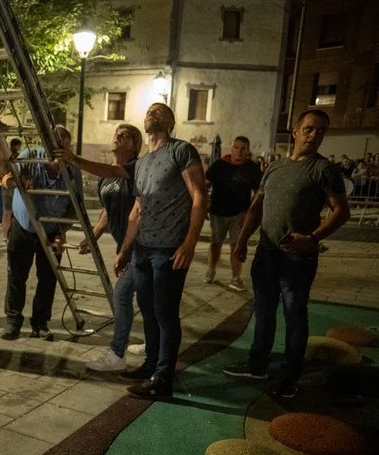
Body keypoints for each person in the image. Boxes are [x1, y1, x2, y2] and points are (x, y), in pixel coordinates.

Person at [223, 109, 350, 398]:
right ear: (295, 131)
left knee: (294, 316)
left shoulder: (323, 169)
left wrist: (312, 238)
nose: (314, 135)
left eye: (321, 131)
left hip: (297, 258)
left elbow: (342, 212)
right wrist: (242, 241)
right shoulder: (275, 167)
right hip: (266, 253)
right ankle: (257, 364)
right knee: (264, 312)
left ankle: (291, 377)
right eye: (309, 129)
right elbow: (257, 207)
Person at [115, 103, 208, 399]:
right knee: (148, 310)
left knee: (165, 313)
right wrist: (126, 249)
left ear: (171, 122)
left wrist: (190, 242)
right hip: (143, 249)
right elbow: (137, 209)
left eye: (160, 110)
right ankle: (151, 364)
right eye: (149, 110)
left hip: (169, 248)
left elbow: (199, 195)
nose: (152, 112)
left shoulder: (181, 150)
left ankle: (163, 377)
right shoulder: (142, 162)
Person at [57, 123, 143, 371]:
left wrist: (73, 159)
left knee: (122, 294)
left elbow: (112, 171)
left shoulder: (136, 168)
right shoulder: (106, 177)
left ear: (135, 147)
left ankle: (117, 354)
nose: (118, 137)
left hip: (141, 245)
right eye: (116, 134)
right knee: (146, 298)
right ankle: (153, 343)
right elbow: (107, 211)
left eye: (125, 136)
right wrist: (92, 236)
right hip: (124, 245)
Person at [1, 126, 83, 342]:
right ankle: (13, 321)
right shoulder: (30, 157)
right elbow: (6, 177)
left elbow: (75, 206)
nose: (57, 152)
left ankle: (40, 323)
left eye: (64, 147)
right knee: (16, 276)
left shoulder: (72, 170)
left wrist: (62, 231)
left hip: (51, 231)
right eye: (54, 146)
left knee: (48, 278)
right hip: (23, 227)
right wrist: (17, 181)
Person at [204, 136, 261, 291]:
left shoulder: (252, 168)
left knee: (236, 245)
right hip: (218, 212)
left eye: (243, 148)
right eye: (236, 147)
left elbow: (258, 191)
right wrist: (204, 205)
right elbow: (205, 185)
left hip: (239, 213)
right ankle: (211, 270)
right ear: (232, 148)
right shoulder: (219, 165)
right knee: (216, 243)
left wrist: (251, 210)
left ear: (247, 150)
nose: (239, 151)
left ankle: (236, 278)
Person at [0, 138, 23, 241]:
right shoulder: (17, 157)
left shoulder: (6, 156)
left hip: (6, 184)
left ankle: (6, 235)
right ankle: (10, 235)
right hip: (13, 185)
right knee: (13, 212)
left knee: (7, 212)